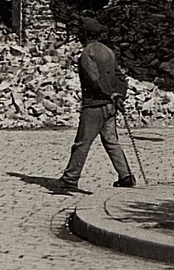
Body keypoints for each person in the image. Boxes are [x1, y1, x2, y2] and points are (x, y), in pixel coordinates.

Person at [55, 15, 134, 193]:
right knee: (111, 141)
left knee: (82, 143)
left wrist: (109, 93)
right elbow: (121, 77)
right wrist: (118, 94)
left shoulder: (87, 54)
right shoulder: (108, 52)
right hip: (110, 106)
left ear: (85, 34)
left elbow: (94, 80)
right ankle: (126, 175)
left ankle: (69, 179)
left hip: (94, 106)